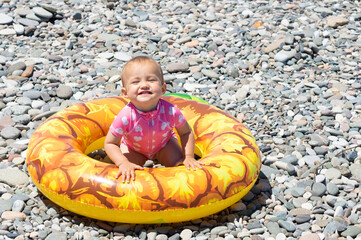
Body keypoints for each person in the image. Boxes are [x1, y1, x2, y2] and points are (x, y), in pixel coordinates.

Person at [104, 56, 204, 183]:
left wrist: (188, 156)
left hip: (164, 145)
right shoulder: (125, 116)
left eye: (151, 80)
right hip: (133, 148)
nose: (144, 85)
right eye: (135, 82)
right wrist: (122, 162)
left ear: (163, 89)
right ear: (125, 92)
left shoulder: (171, 111)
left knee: (181, 166)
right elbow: (110, 143)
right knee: (126, 174)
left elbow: (186, 132)